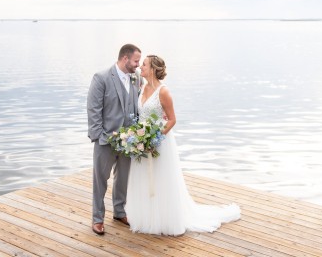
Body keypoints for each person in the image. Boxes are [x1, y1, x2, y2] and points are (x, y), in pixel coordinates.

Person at [125, 55, 241, 236]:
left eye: (145, 64)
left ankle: (165, 220)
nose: (141, 67)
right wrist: (139, 137)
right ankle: (147, 219)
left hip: (159, 143)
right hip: (142, 142)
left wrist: (154, 138)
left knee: (161, 181)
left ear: (153, 69)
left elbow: (172, 120)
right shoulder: (142, 87)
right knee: (144, 180)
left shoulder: (163, 92)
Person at [87, 44, 142, 235]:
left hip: (129, 141)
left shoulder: (136, 79)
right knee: (100, 180)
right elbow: (94, 110)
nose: (138, 65)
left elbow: (136, 107)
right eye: (136, 61)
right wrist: (99, 137)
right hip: (105, 140)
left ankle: (119, 212)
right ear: (125, 59)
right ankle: (97, 218)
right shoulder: (101, 78)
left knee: (123, 179)